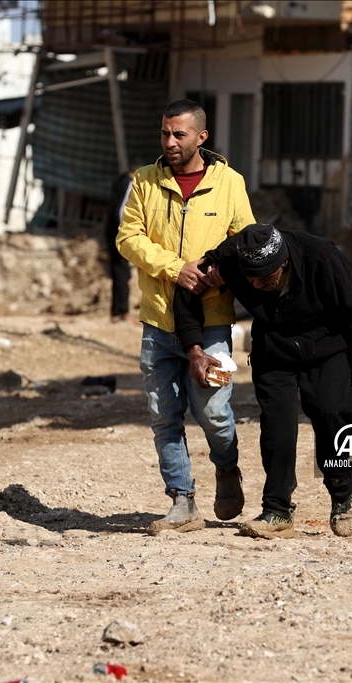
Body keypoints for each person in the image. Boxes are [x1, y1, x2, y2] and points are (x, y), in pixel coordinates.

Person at [173, 224, 352, 539]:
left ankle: (343, 497)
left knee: (331, 414)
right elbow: (188, 286)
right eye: (250, 278)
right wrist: (194, 348)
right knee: (276, 425)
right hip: (273, 347)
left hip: (327, 343)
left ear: (283, 262)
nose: (257, 285)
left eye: (265, 278)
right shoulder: (230, 257)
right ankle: (277, 509)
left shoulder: (319, 255)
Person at [116, 99, 256, 535]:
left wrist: (216, 272)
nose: (170, 142)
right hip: (158, 321)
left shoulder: (231, 184)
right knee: (165, 416)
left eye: (179, 134)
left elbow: (247, 243)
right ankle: (182, 500)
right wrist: (176, 268)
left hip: (212, 319)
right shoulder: (144, 181)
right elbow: (127, 238)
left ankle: (227, 467)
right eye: (164, 133)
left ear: (202, 137)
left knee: (213, 410)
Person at [105, 164, 138, 323]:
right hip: (118, 233)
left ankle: (115, 312)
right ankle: (123, 311)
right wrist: (126, 234)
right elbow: (122, 210)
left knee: (117, 272)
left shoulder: (119, 181)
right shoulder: (129, 184)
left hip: (110, 232)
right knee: (123, 273)